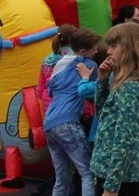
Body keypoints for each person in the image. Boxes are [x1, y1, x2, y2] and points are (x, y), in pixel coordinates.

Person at [90, 22, 139, 196]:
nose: (108, 51)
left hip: (115, 176)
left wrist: (111, 187)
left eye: (113, 46)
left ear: (130, 49)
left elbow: (123, 139)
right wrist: (102, 81)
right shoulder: (125, 83)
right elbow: (103, 117)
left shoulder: (129, 88)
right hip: (121, 174)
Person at [44, 27, 101, 196]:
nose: (97, 50)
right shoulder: (88, 65)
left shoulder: (59, 64)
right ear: (83, 51)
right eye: (94, 48)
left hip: (49, 123)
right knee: (88, 173)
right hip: (68, 123)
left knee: (62, 177)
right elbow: (97, 92)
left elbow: (50, 90)